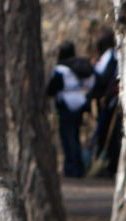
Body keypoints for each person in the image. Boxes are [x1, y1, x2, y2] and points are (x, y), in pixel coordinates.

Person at [45, 42, 93, 179]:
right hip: (80, 102)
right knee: (75, 135)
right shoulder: (78, 66)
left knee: (68, 136)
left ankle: (71, 168)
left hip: (66, 104)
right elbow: (90, 83)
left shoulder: (61, 69)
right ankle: (79, 167)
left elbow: (52, 88)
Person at [87, 32, 122, 177]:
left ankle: (111, 165)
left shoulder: (112, 56)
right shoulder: (112, 56)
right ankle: (107, 163)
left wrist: (106, 96)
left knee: (110, 133)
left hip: (110, 100)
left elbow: (106, 78)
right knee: (105, 132)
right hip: (107, 100)